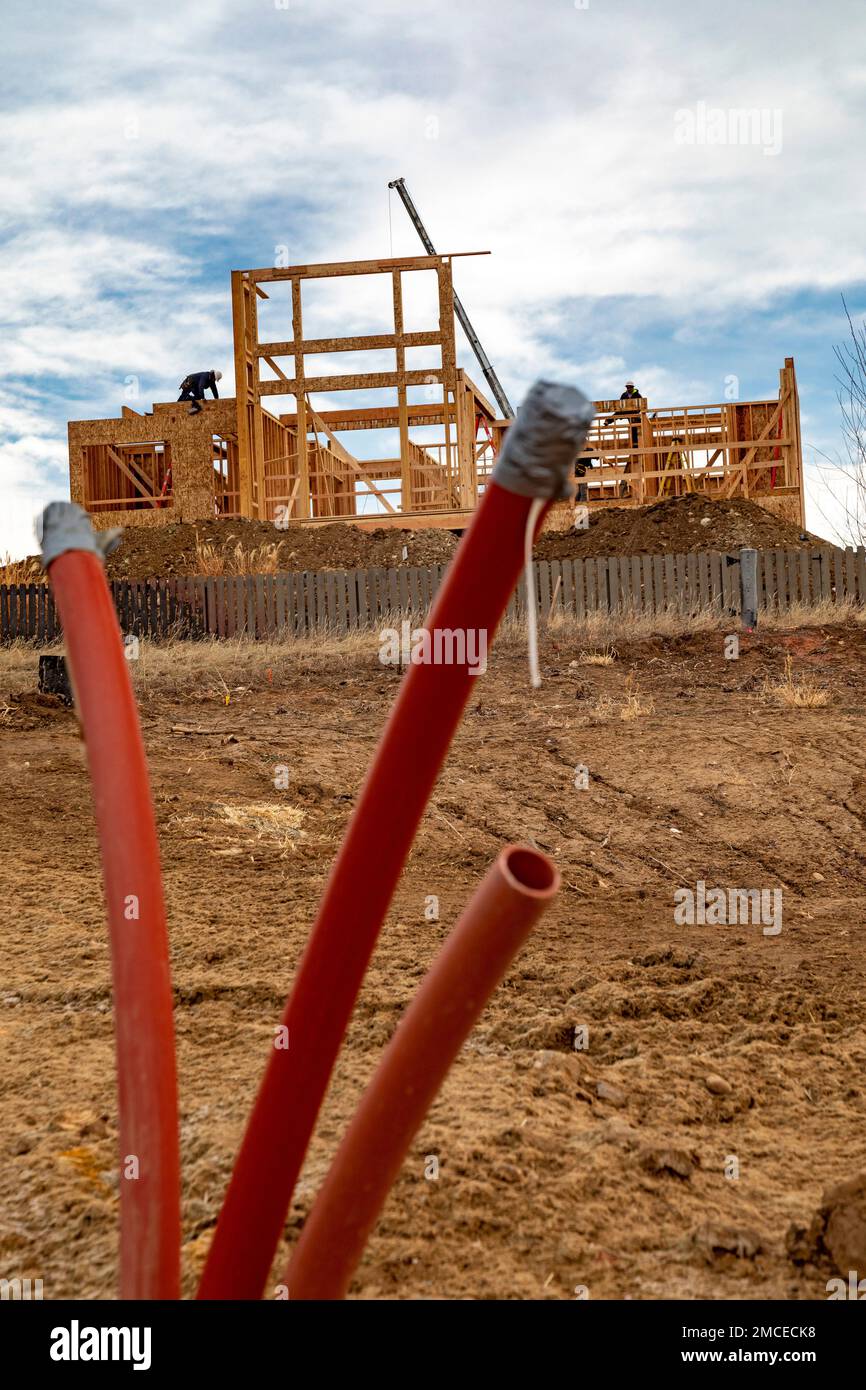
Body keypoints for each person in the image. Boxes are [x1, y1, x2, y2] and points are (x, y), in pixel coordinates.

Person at [605, 381, 644, 497]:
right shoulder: (624, 395)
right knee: (619, 415)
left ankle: (636, 442)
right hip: (627, 412)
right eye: (627, 387)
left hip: (635, 415)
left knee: (635, 426)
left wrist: (637, 414)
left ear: (633, 388)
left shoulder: (638, 395)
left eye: (630, 387)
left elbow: (641, 406)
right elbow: (619, 408)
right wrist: (611, 419)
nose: (629, 389)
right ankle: (608, 421)